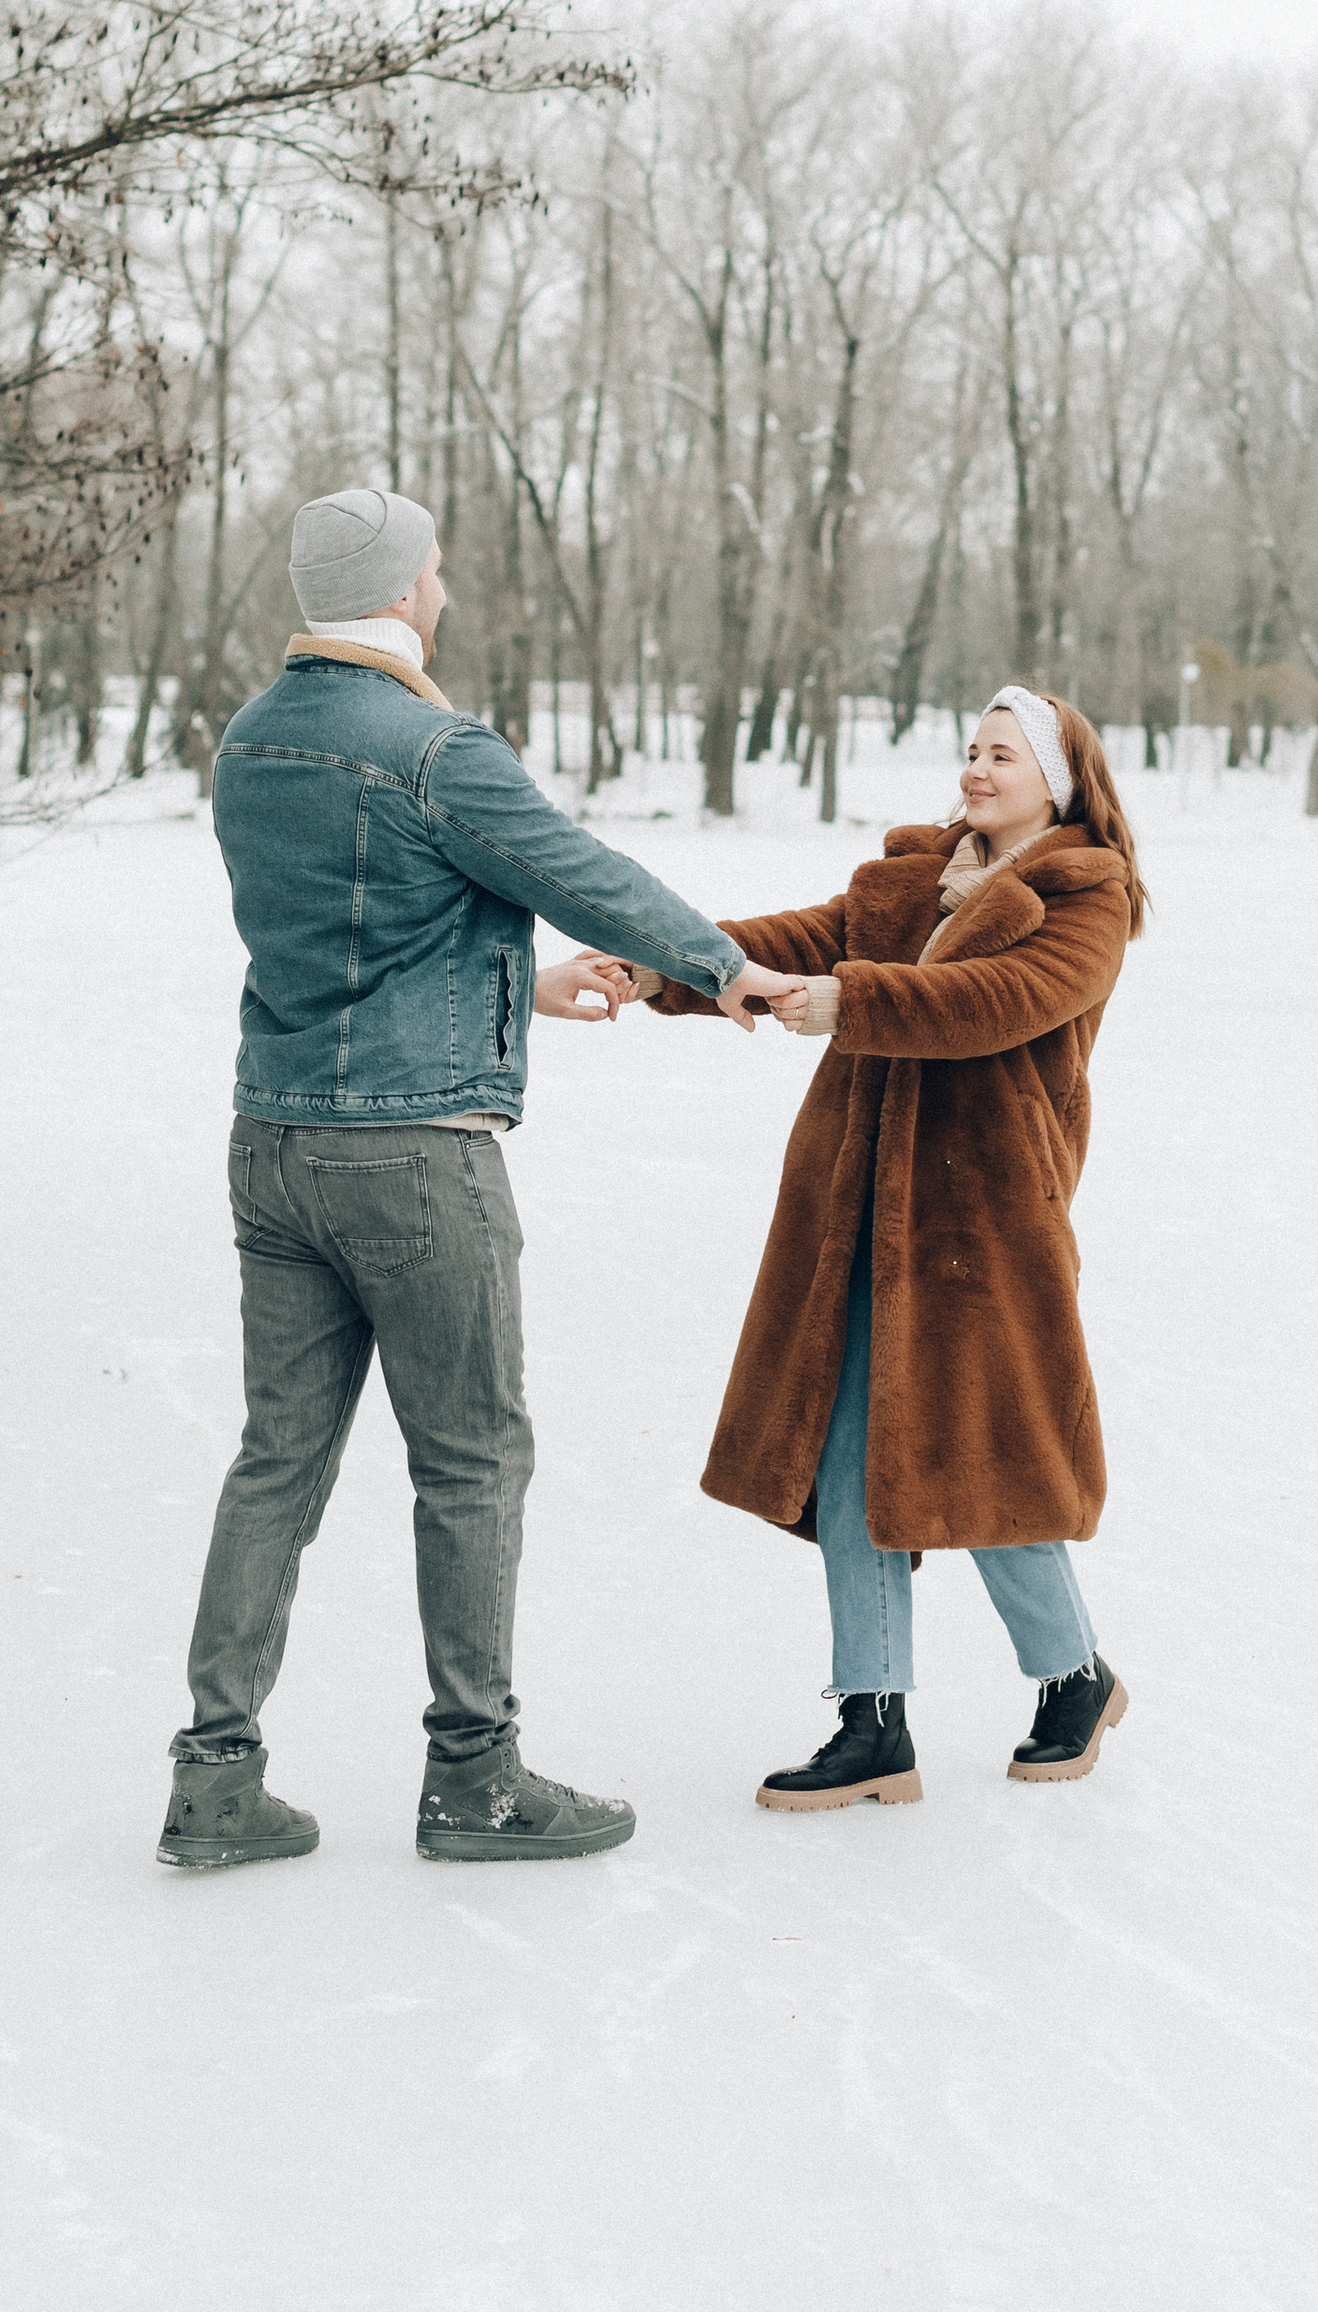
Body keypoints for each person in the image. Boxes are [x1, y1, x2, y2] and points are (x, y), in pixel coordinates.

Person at [157, 484, 792, 1878]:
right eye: (434, 570)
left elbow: (360, 923)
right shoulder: (435, 744)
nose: (443, 589)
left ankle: (213, 1777)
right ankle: (475, 1775)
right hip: (416, 1158)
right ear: (396, 593)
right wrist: (730, 971)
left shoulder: (251, 743)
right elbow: (583, 871)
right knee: (472, 1460)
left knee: (279, 1458)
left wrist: (522, 983)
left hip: (273, 1142)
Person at [640, 685, 1147, 1811]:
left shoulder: (1086, 896)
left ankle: (1075, 1676)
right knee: (850, 1463)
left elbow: (995, 1001)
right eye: (969, 748)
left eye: (1001, 755)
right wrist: (665, 965)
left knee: (978, 1459)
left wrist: (851, 1001)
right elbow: (795, 942)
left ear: (1056, 783)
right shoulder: (912, 882)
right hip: (856, 1206)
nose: (974, 769)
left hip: (985, 1221)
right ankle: (872, 1723)